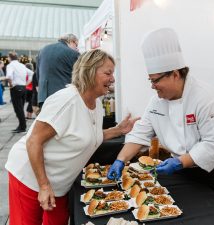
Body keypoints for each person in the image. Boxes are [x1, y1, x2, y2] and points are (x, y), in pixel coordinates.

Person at [108, 28, 214, 220]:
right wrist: (121, 160)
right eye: (150, 81)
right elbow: (141, 133)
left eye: (155, 81)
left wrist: (179, 162)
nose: (152, 86)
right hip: (190, 165)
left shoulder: (206, 98)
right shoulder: (157, 102)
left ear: (174, 74)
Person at [5, 49, 139, 225]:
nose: (112, 79)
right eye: (108, 73)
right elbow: (34, 141)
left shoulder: (97, 103)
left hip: (59, 184)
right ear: (89, 72)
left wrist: (118, 130)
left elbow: (87, 135)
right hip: (30, 178)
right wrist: (44, 186)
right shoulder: (66, 101)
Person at [36, 33, 80, 108]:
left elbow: (38, 74)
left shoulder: (43, 50)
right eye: (76, 45)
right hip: (63, 97)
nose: (76, 48)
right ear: (72, 41)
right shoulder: (73, 53)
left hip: (43, 96)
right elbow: (79, 77)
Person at [6, 52, 34, 132]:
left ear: (10, 58)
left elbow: (9, 76)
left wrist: (11, 85)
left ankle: (22, 127)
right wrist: (27, 83)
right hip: (23, 88)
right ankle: (22, 126)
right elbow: (31, 73)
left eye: (8, 57)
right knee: (20, 108)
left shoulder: (10, 65)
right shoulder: (21, 65)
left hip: (16, 88)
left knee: (18, 109)